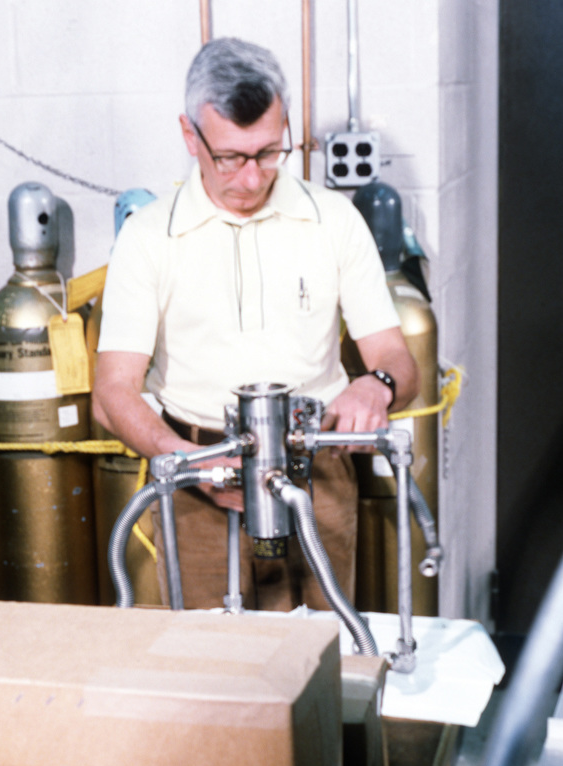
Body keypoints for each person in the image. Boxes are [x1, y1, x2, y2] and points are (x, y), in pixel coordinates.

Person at [92, 36, 419, 611]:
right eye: (230, 158)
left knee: (328, 655)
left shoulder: (334, 221)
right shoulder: (148, 237)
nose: (250, 179)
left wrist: (378, 384)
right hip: (195, 482)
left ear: (286, 126)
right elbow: (112, 394)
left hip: (318, 473)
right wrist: (187, 463)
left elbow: (397, 361)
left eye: (269, 153)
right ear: (189, 135)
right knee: (213, 672)